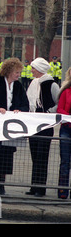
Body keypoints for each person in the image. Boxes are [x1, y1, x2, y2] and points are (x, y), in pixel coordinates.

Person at [0, 58, 29, 195]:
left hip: (10, 126)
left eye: (19, 72)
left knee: (6, 154)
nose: (18, 75)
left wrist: (19, 110)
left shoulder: (19, 87)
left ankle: (2, 183)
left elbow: (24, 103)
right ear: (9, 71)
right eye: (16, 72)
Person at [25, 57, 59, 197]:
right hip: (34, 123)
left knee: (42, 155)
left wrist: (49, 112)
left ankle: (41, 188)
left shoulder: (52, 84)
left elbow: (58, 102)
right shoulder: (33, 83)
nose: (31, 70)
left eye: (33, 68)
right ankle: (34, 186)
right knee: (34, 155)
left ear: (39, 69)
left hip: (46, 124)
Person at [56, 67, 71, 199]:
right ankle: (63, 191)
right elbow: (60, 108)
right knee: (65, 161)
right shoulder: (65, 91)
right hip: (67, 128)